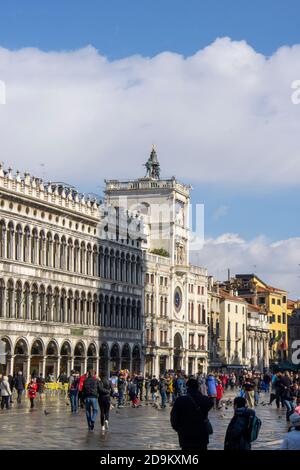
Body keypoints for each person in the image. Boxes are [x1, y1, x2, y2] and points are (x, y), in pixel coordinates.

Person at [170, 378, 213, 451]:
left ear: (187, 387)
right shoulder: (205, 400)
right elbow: (211, 403)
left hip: (185, 435)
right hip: (201, 435)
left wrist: (179, 429)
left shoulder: (180, 400)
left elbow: (174, 419)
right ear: (198, 387)